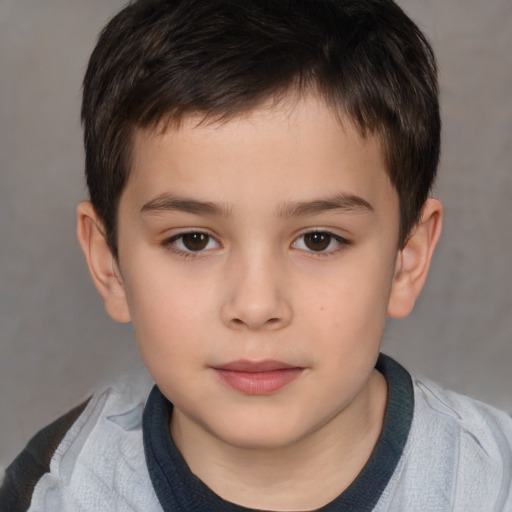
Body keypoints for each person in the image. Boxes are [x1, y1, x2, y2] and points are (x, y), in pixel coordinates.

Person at [1, 0, 511, 510]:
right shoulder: (53, 491)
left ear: (408, 258)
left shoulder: (494, 487)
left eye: (318, 239)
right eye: (193, 240)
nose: (256, 304)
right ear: (109, 262)